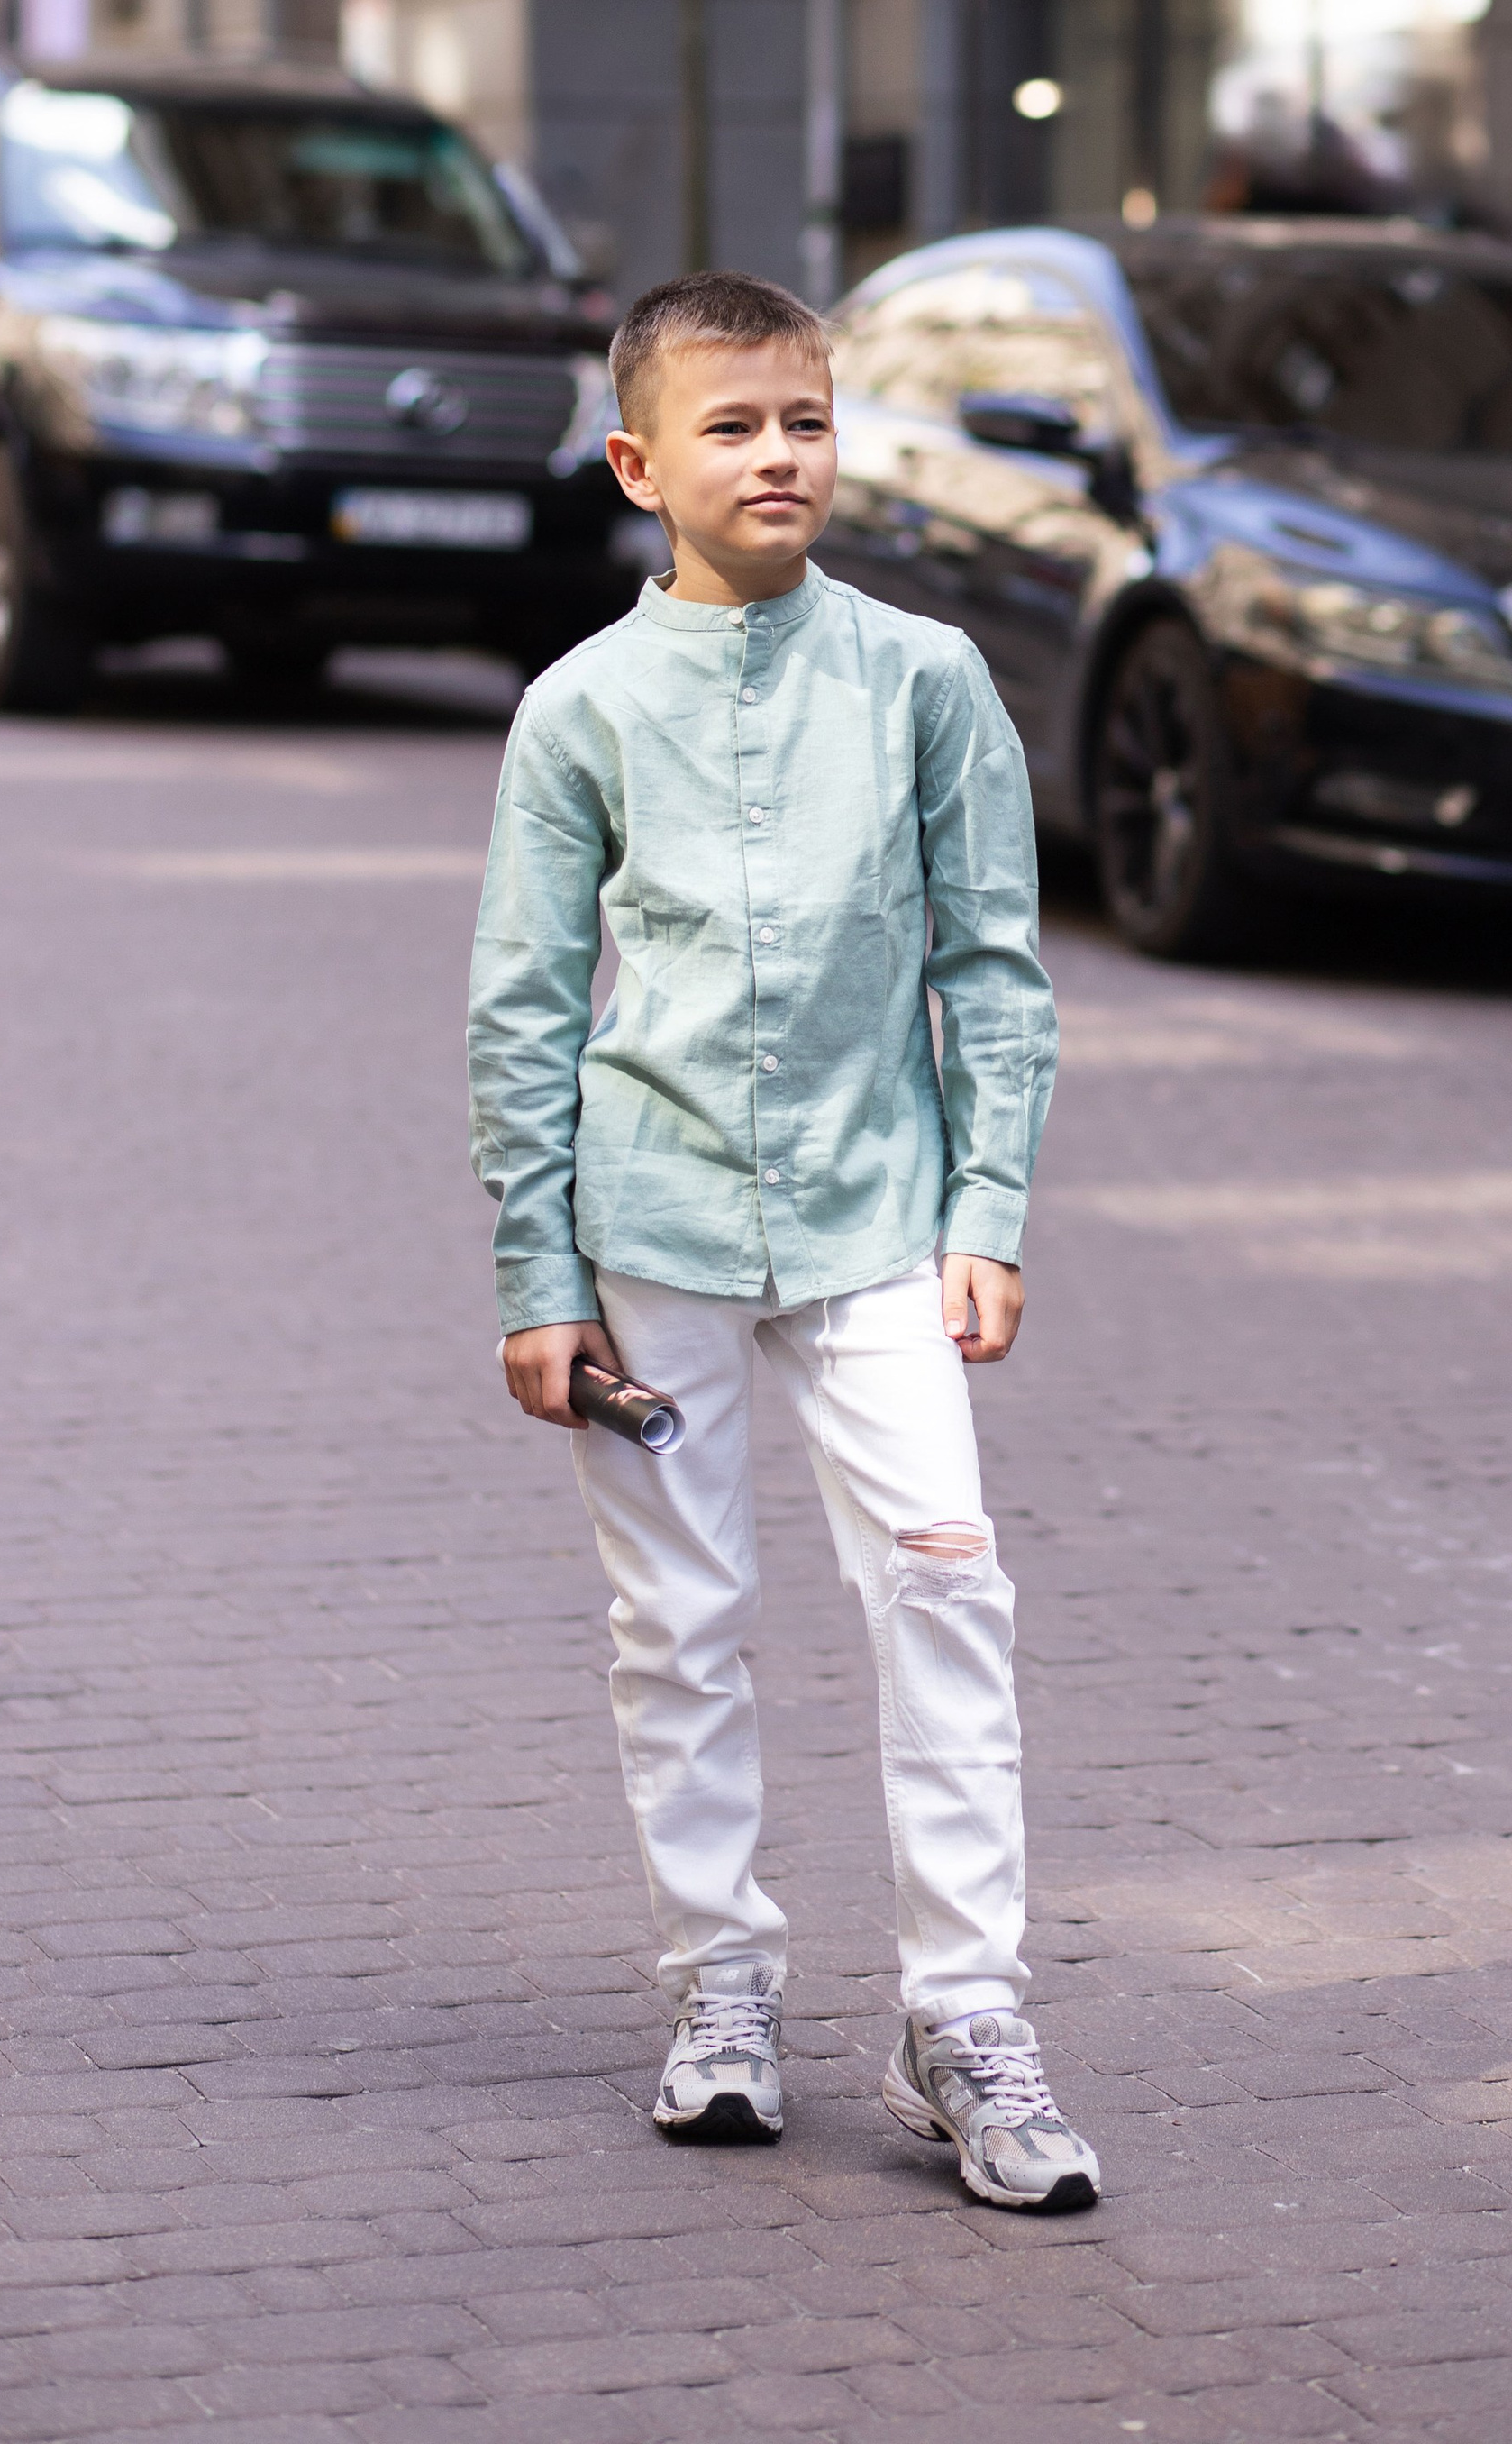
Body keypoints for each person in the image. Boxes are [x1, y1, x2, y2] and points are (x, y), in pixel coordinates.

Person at [465, 269, 1098, 2214]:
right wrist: (538, 1275)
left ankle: (964, 2019)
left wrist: (989, 1210)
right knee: (677, 1626)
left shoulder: (926, 680)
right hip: (646, 1228)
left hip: (875, 1226)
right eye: (731, 427)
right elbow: (521, 1010)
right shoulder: (577, 707)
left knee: (946, 1586)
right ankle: (719, 1989)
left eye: (805, 422)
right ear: (637, 464)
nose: (777, 458)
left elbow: (996, 968)